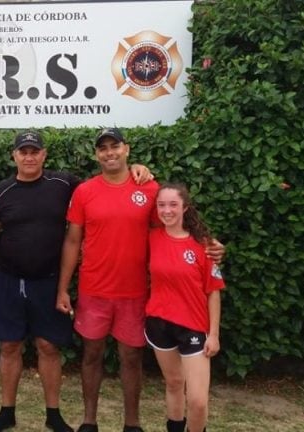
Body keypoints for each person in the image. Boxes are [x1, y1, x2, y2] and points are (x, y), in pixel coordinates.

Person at [0, 131, 153, 432]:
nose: (29, 156)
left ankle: (54, 414)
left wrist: (138, 166)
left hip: (47, 281)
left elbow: (111, 179)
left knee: (48, 347)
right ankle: (6, 412)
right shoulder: (1, 191)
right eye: (23, 151)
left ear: (44, 155)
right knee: (9, 346)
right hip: (9, 280)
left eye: (34, 151)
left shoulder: (66, 184)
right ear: (14, 156)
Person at [56, 128, 224, 432]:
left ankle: (131, 424)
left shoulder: (148, 188)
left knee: (131, 358)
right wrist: (63, 288)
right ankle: (89, 421)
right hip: (93, 290)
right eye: (103, 148)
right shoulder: (84, 191)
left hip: (134, 293)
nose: (109, 153)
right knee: (91, 355)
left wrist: (208, 244)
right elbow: (72, 240)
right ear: (96, 154)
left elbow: (174, 228)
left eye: (115, 146)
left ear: (126, 149)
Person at [145, 183, 224, 432]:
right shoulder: (151, 238)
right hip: (158, 323)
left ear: (185, 207)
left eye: (173, 204)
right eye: (161, 205)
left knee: (198, 401)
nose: (167, 210)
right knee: (174, 383)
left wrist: (213, 334)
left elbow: (213, 292)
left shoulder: (204, 246)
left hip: (193, 327)